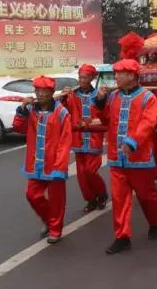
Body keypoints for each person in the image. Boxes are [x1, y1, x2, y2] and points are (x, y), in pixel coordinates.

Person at [95, 58, 157, 255]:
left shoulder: (148, 97)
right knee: (119, 198)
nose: (116, 77)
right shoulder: (114, 96)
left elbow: (147, 123)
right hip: (117, 159)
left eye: (120, 74)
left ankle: (155, 222)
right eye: (116, 73)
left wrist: (132, 142)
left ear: (132, 76)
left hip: (139, 159)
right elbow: (106, 118)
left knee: (146, 197)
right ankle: (122, 236)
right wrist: (99, 101)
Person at [13, 76, 72, 245]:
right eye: (37, 90)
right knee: (32, 195)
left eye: (44, 91)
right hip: (36, 163)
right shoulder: (31, 110)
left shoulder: (61, 113)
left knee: (57, 200)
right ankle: (49, 220)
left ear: (52, 92)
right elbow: (19, 128)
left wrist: (60, 166)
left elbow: (65, 141)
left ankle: (55, 229)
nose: (40, 94)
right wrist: (22, 109)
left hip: (54, 164)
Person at [61, 64, 108, 213]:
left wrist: (90, 121)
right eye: (80, 77)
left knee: (90, 171)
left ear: (92, 79)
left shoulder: (98, 96)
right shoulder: (73, 96)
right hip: (78, 138)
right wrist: (62, 98)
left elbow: (104, 117)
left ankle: (102, 193)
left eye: (86, 77)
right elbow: (64, 110)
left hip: (94, 137)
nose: (82, 80)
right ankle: (90, 199)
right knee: (81, 174)